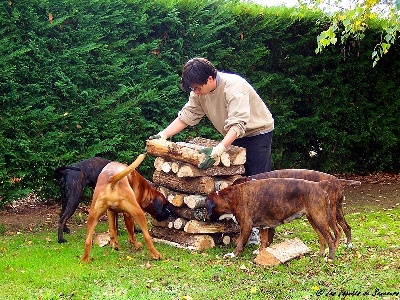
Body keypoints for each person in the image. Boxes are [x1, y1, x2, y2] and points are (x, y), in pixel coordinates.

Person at [149, 57, 274, 176]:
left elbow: (238, 124)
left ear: (209, 79)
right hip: (234, 134)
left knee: (257, 179)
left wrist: (219, 149)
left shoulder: (234, 88)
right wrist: (163, 135)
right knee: (237, 180)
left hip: (257, 133)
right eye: (192, 89)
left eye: (197, 88)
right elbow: (187, 116)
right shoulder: (198, 93)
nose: (195, 92)